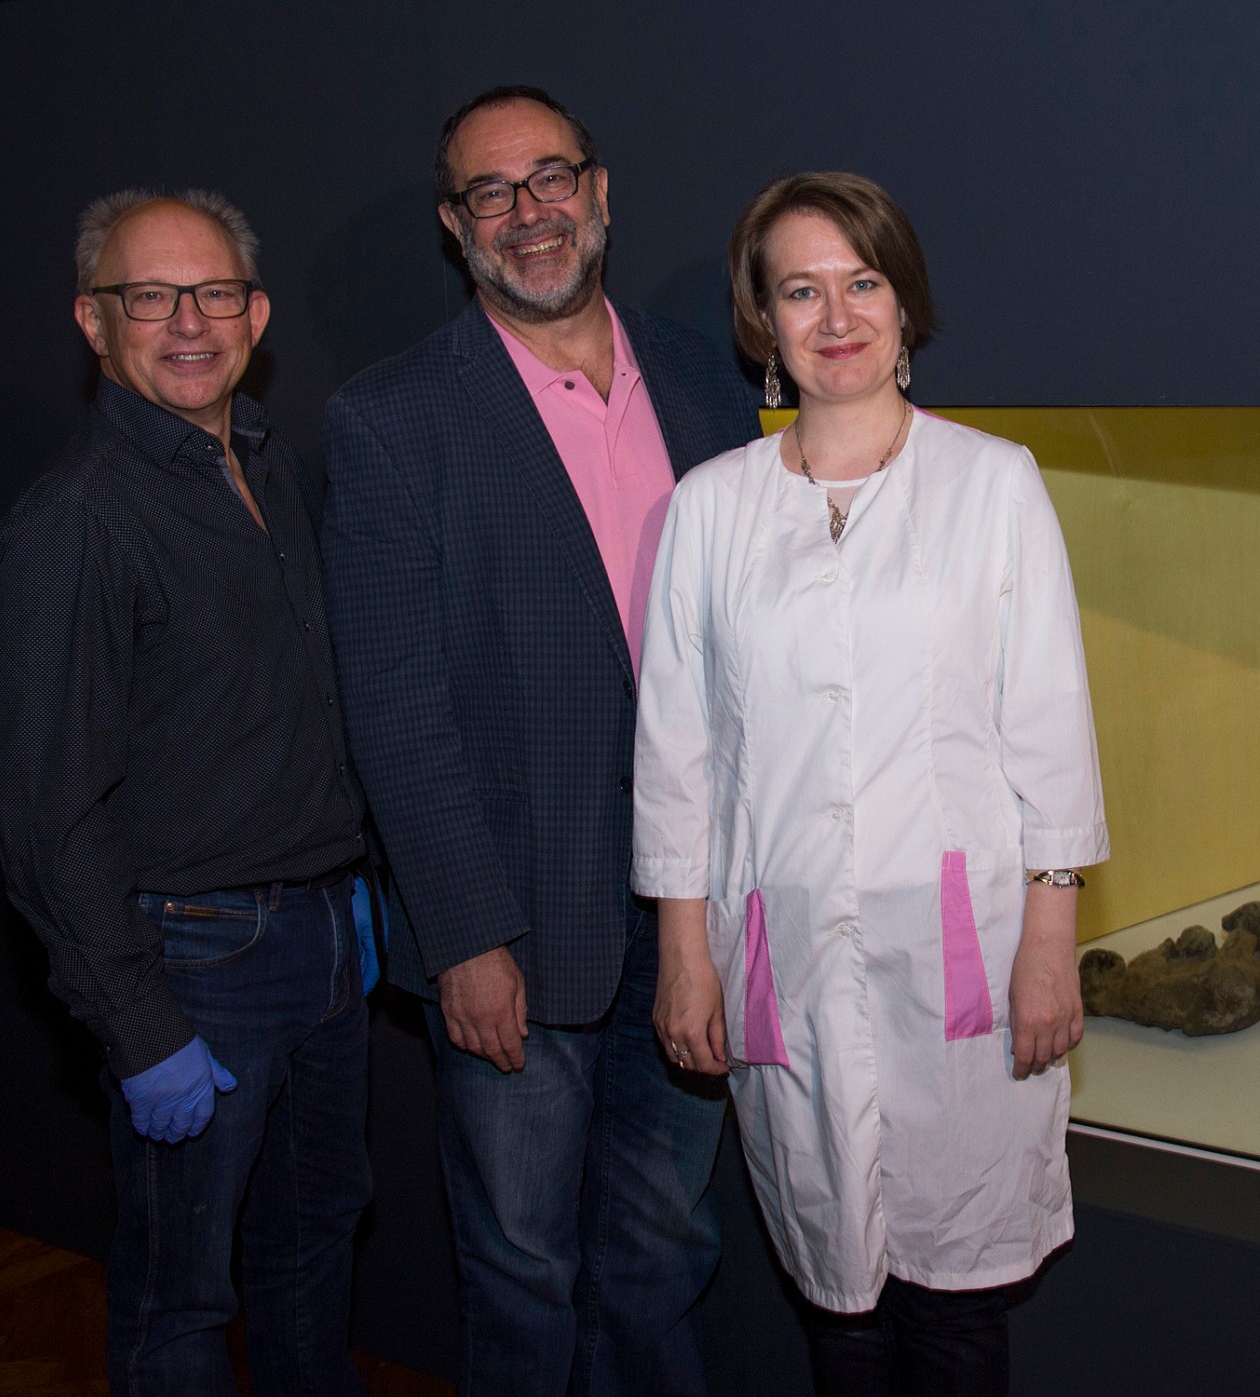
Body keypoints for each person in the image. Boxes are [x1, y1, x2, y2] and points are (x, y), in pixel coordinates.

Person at [633, 171, 1108, 1396]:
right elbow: (678, 747)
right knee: (837, 1298)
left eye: (862, 282)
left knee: (956, 1303)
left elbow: (1049, 723)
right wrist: (684, 952)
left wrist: (1050, 939)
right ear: (763, 322)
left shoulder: (991, 484)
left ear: (904, 306)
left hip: (960, 938)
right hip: (777, 941)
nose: (835, 316)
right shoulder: (709, 510)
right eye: (801, 291)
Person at [319, 85, 758, 1396]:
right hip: (514, 922)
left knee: (668, 1239)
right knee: (522, 1265)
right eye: (491, 192)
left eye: (551, 177)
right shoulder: (393, 419)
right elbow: (394, 704)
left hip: (689, 912)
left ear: (600, 191)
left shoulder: (705, 384)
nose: (529, 212)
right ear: (455, 226)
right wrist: (463, 934)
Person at [0, 190, 372, 1397]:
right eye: (149, 297)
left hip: (322, 938)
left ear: (256, 313)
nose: (188, 323)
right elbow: (45, 813)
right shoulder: (76, 523)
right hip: (198, 962)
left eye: (212, 294)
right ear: (94, 322)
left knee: (313, 1245)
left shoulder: (266, 464)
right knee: (180, 1297)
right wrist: (140, 1024)